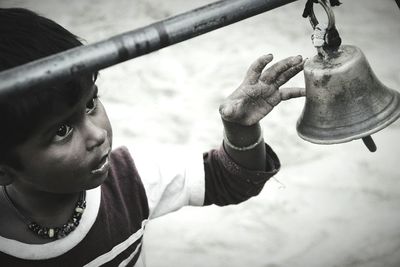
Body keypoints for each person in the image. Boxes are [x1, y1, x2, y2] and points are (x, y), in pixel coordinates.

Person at [0, 8, 304, 267]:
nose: (98, 134)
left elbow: (229, 179)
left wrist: (241, 130)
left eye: (91, 104)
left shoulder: (130, 179)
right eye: (61, 131)